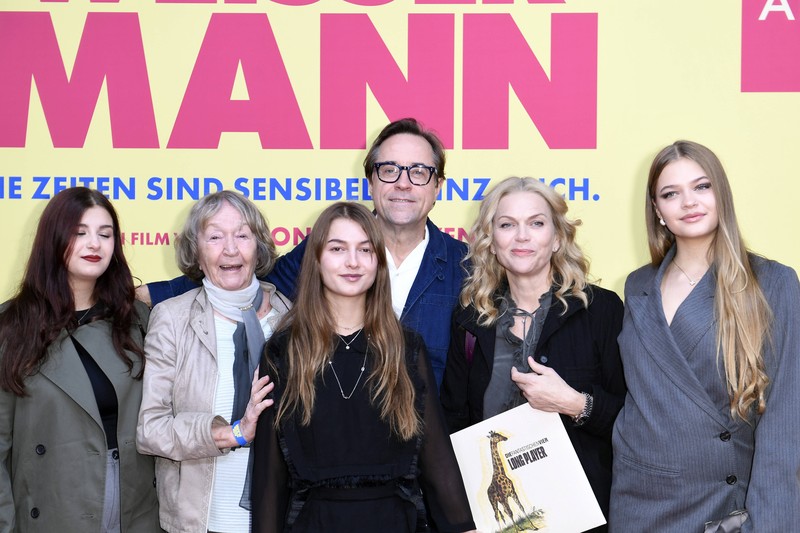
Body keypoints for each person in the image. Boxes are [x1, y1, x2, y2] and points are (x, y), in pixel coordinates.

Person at [140, 118, 468, 387]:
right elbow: (245, 278)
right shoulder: (324, 249)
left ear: (438, 185)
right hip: (338, 445)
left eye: (419, 172)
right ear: (370, 181)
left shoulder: (466, 268)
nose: (403, 183)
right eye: (389, 170)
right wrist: (147, 294)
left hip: (428, 452)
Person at [609, 141, 800, 532]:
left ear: (722, 195)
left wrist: (770, 524)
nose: (688, 202)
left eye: (701, 186)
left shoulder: (773, 283)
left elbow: (785, 422)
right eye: (670, 194)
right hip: (639, 500)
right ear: (658, 211)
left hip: (723, 506)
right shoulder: (638, 286)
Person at [251, 202, 476, 533]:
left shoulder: (406, 349)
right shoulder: (282, 353)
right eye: (338, 248)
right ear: (315, 259)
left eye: (365, 249)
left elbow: (437, 461)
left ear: (378, 263)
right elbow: (269, 480)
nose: (352, 262)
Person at [440, 177, 626, 532]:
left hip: (585, 518)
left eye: (536, 223)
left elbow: (637, 421)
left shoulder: (601, 311)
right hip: (498, 519)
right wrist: (464, 516)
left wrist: (575, 403)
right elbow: (454, 423)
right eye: (507, 225)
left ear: (557, 238)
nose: (521, 236)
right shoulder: (470, 319)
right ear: (491, 241)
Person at [0, 187, 160, 532]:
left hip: (135, 507)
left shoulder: (137, 320)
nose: (95, 244)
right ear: (53, 239)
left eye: (105, 235)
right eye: (80, 233)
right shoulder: (11, 326)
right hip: (54, 506)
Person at [136, 191, 290, 533]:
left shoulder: (290, 317)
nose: (231, 249)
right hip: (200, 522)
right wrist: (234, 432)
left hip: (279, 520)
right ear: (197, 252)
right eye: (215, 236)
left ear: (259, 247)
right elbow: (150, 430)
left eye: (242, 235)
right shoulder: (172, 318)